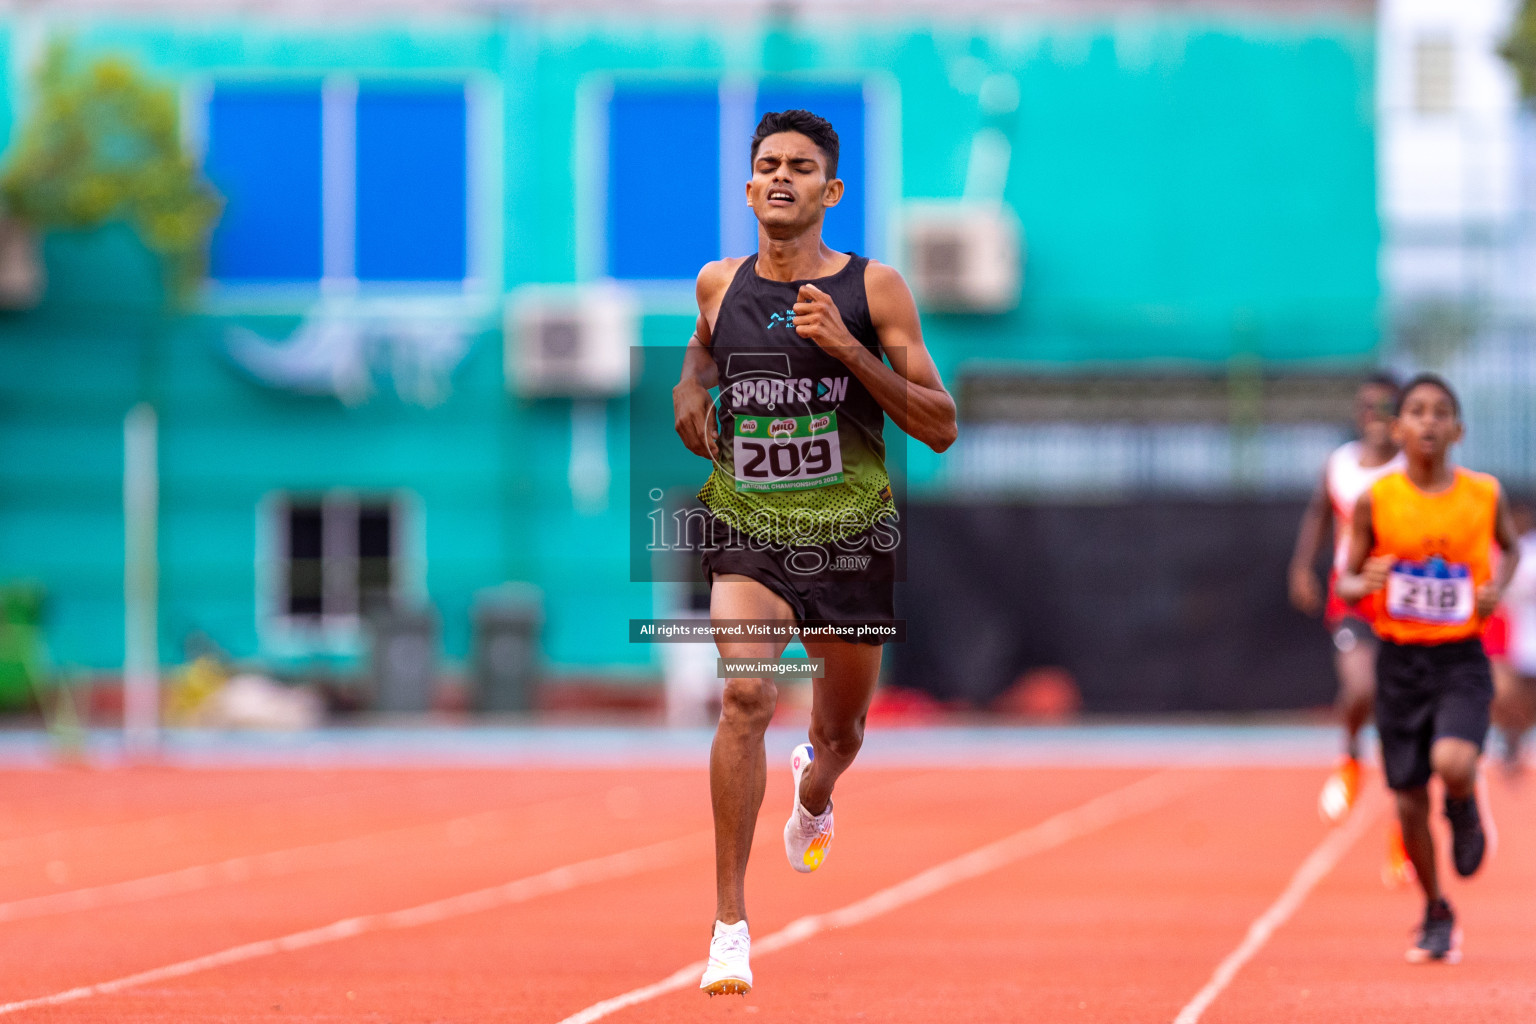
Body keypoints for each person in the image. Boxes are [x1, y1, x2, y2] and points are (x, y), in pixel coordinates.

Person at [672, 109, 956, 996]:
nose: (782, 177)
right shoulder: (718, 284)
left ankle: (816, 791)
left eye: (801, 166)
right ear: (750, 187)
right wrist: (689, 388)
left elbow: (940, 425)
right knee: (747, 692)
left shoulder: (878, 290)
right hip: (751, 532)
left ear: (830, 191)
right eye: (768, 165)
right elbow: (701, 354)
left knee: (841, 731)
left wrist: (847, 350)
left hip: (850, 539)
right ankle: (728, 926)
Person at [1338, 373, 1520, 964]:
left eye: (1442, 412)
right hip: (1399, 661)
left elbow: (1511, 548)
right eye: (1417, 411)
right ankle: (1436, 909)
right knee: (1409, 802)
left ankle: (1463, 805)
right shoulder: (1377, 500)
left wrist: (1499, 586)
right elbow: (1345, 575)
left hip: (1460, 657)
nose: (1429, 421)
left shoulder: (1483, 495)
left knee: (1452, 760)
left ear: (1458, 430)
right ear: (1398, 428)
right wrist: (1361, 583)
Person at [1288, 374, 1414, 885]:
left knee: (1404, 720)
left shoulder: (1414, 472)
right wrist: (1301, 567)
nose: (1376, 416)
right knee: (1360, 688)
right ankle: (1349, 755)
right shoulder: (1339, 465)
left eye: (1387, 407)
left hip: (1408, 606)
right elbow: (1319, 512)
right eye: (1368, 406)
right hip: (1355, 597)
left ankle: (1404, 834)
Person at [1489, 500, 1536, 770]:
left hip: (1529, 633)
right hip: (1508, 633)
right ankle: (1511, 737)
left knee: (1528, 696)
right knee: (1505, 693)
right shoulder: (1497, 550)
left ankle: (1517, 737)